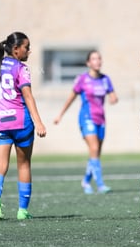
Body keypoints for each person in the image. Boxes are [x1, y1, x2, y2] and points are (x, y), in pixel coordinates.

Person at [0, 31, 47, 220]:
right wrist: (38, 122)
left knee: (0, 165)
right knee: (24, 165)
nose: (29, 51)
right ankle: (22, 210)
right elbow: (28, 96)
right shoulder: (21, 68)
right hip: (21, 123)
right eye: (26, 47)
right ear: (16, 49)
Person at [54, 50, 118, 194]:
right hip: (86, 118)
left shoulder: (105, 79)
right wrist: (60, 115)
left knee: (95, 154)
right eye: (94, 59)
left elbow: (113, 96)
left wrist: (114, 99)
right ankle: (100, 185)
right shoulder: (82, 79)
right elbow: (71, 98)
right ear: (88, 63)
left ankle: (86, 181)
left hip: (101, 120)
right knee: (94, 149)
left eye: (99, 58)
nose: (97, 61)